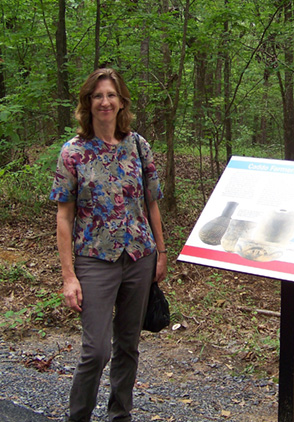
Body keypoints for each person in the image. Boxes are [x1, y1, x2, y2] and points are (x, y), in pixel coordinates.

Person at [49, 68, 167, 422]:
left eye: (111, 95)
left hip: (138, 256)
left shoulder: (138, 145)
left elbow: (152, 204)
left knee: (128, 345)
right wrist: (69, 276)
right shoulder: (73, 152)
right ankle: (79, 416)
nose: (105, 102)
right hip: (94, 259)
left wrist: (161, 254)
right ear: (88, 103)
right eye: (98, 96)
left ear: (121, 102)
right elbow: (64, 218)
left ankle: (120, 415)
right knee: (96, 351)